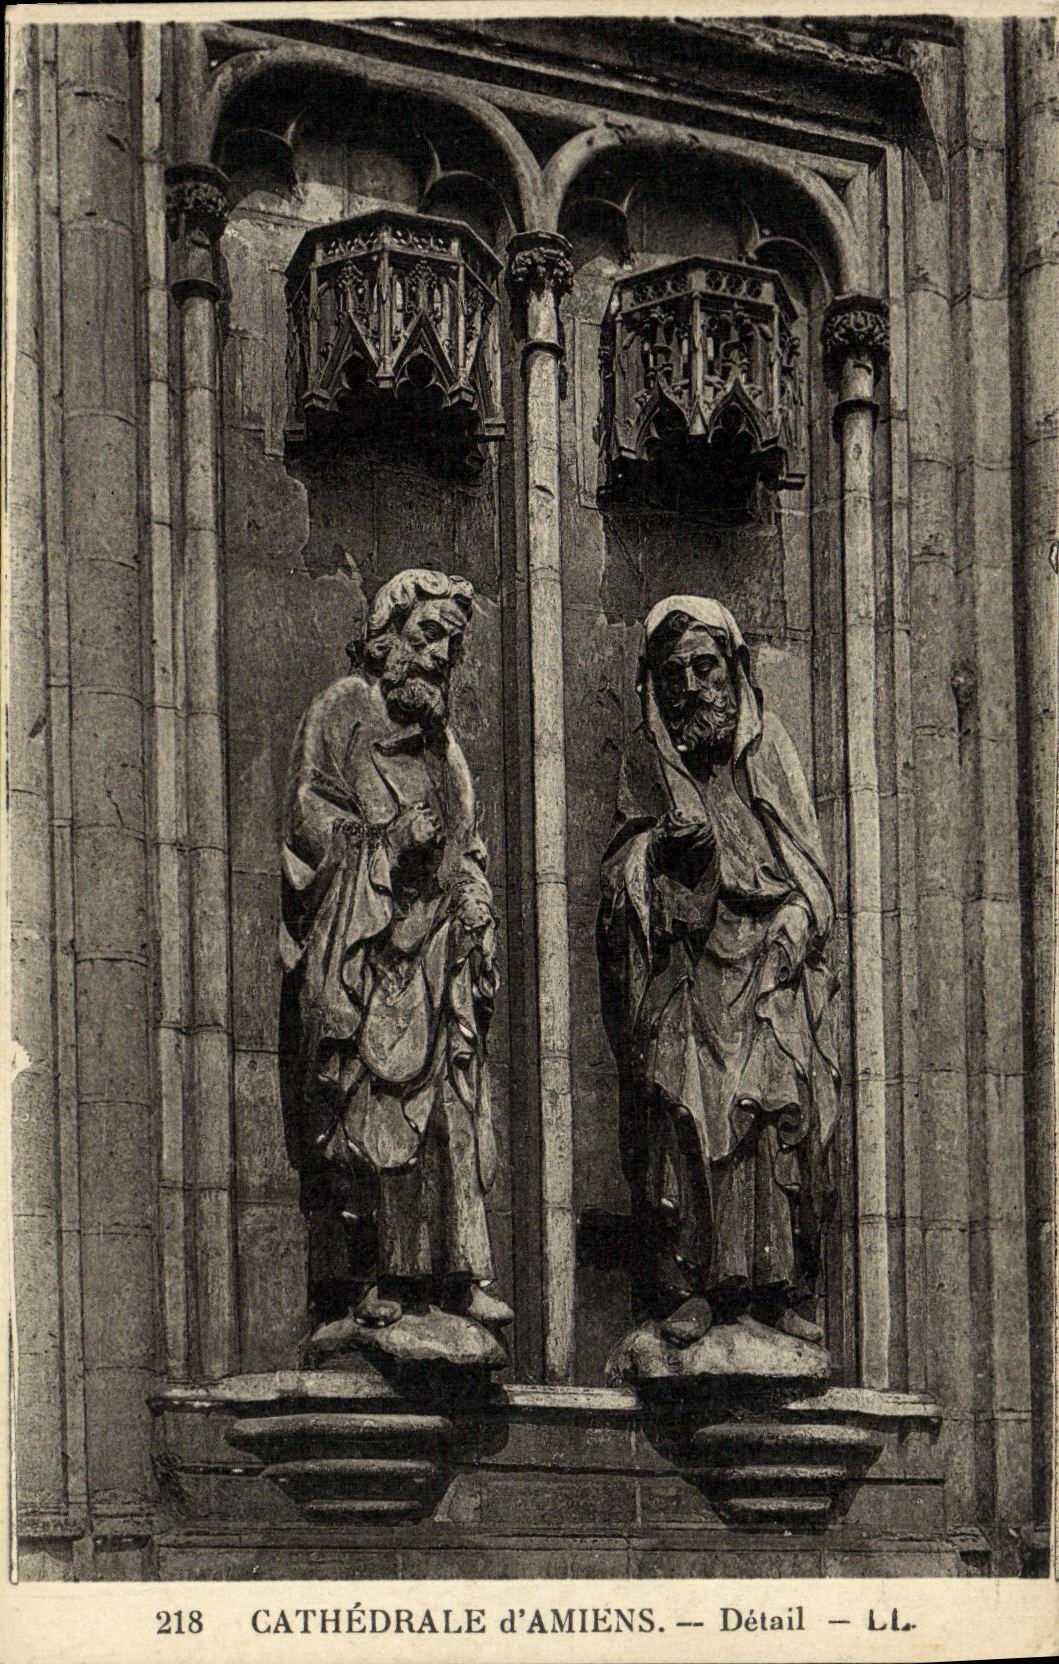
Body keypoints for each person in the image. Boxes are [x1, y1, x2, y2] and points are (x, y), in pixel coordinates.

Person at [597, 596, 841, 1347]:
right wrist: (660, 851)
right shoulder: (650, 768)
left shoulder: (769, 754)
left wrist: (795, 921)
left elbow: (811, 874)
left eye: (705, 668)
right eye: (673, 676)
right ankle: (695, 1284)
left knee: (769, 1116)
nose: (691, 688)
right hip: (690, 966)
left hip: (766, 965)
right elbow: (619, 877)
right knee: (687, 1112)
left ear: (733, 671)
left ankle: (773, 1286)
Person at [279, 568, 511, 1333]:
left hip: (436, 959)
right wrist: (384, 843)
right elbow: (310, 814)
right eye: (428, 635)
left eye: (452, 644)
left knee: (446, 1117)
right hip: (369, 952)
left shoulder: (447, 753)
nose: (440, 655)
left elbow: (467, 844)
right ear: (386, 638)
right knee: (375, 1116)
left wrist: (472, 893)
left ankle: (452, 1274)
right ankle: (374, 1275)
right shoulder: (343, 708)